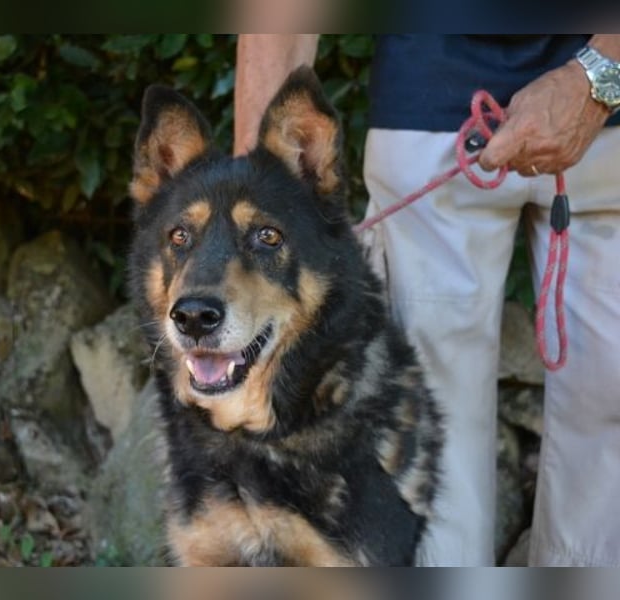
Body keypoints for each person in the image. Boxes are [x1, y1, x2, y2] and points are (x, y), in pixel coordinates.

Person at [234, 34, 620, 566]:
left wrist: (598, 77)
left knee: (612, 413)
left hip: (612, 129)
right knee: (426, 437)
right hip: (429, 117)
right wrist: (257, 193)